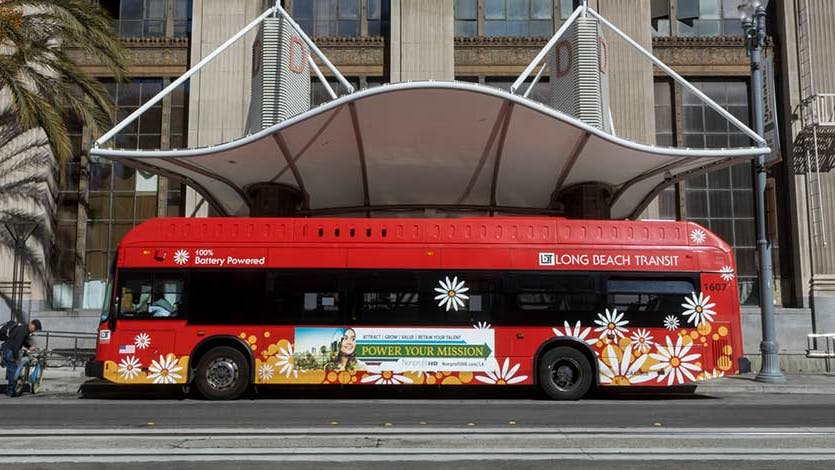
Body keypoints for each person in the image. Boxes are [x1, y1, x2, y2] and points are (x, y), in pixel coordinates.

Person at [1, 319, 42, 397]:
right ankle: (11, 392)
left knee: (12, 370)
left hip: (8, 349)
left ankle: (11, 389)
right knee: (13, 370)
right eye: (35, 328)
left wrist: (29, 347)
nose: (34, 330)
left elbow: (22, 342)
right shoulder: (23, 331)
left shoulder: (24, 330)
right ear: (31, 324)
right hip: (9, 350)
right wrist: (16, 359)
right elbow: (16, 345)